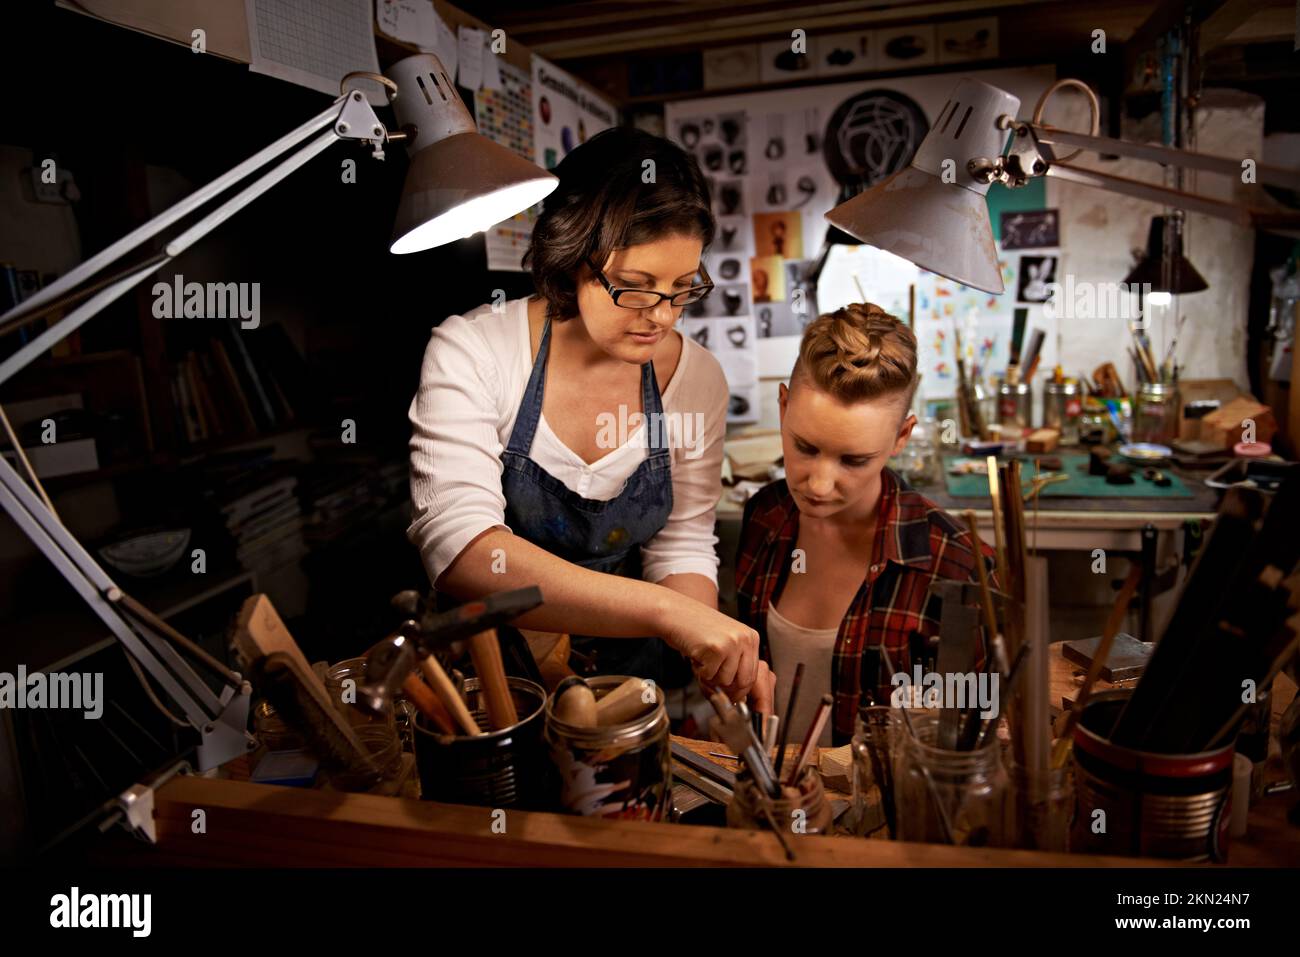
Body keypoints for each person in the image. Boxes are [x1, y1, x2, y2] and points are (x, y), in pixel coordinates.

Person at [407, 126, 773, 709]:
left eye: (681, 289)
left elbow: (680, 547)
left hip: (625, 682)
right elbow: (465, 551)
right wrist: (665, 611)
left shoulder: (695, 379)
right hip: (494, 688)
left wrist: (709, 646)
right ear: (574, 260)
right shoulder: (476, 350)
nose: (660, 316)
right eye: (633, 287)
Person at [735, 302, 991, 745]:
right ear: (783, 405)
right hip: (767, 800)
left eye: (854, 460)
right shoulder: (766, 515)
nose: (817, 483)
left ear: (901, 437)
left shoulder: (954, 563)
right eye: (805, 447)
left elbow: (969, 741)